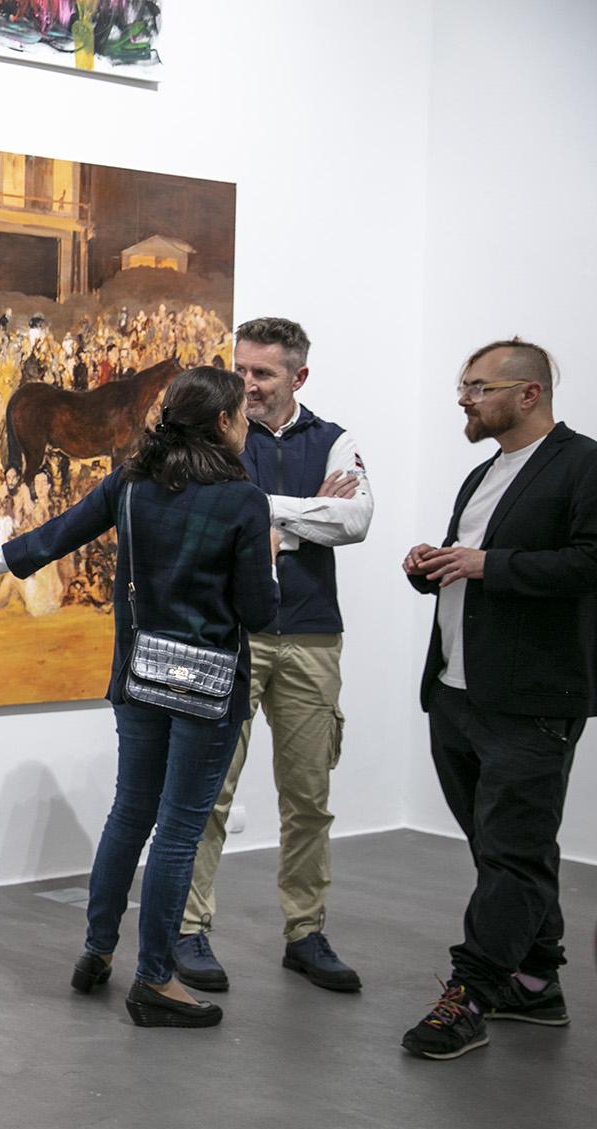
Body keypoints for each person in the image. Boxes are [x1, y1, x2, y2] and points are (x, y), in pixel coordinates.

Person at [0, 366, 278, 1029]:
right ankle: (156, 979)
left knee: (130, 813)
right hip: (206, 687)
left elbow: (54, 537)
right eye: (243, 415)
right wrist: (270, 556)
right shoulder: (243, 502)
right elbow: (258, 612)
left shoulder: (133, 483)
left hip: (137, 677)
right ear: (223, 422)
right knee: (179, 830)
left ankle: (97, 951)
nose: (248, 425)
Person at [399, 337, 597, 1061]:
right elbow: (475, 569)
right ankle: (535, 982)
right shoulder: (483, 475)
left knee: (512, 854)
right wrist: (432, 565)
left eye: (478, 387)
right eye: (464, 386)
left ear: (529, 393)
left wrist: (491, 564)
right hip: (458, 690)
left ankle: (472, 995)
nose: (464, 398)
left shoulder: (584, 465)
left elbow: (589, 561)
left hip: (531, 698)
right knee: (504, 850)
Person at [177, 318, 373, 995]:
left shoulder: (334, 439)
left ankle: (305, 933)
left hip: (313, 636)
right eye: (241, 369)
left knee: (309, 798)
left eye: (262, 372)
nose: (247, 383)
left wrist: (263, 513)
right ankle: (188, 928)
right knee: (209, 793)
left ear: (299, 376)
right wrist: (307, 510)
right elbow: (212, 513)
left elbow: (355, 521)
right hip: (232, 634)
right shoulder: (218, 435)